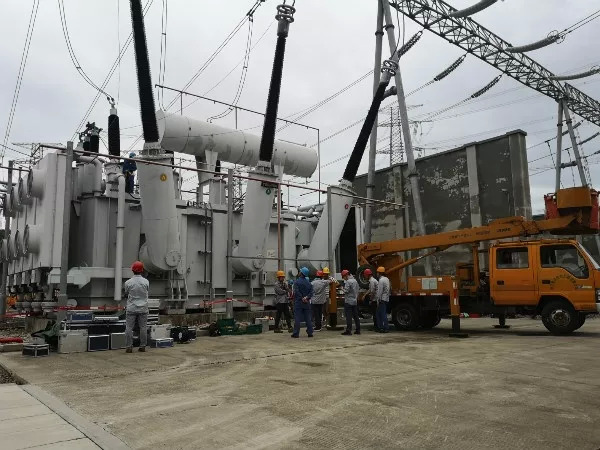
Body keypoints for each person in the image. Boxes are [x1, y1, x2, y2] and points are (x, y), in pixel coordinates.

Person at [124, 261, 150, 352]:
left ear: (132, 270)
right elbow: (146, 291)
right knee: (143, 327)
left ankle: (129, 347)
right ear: (142, 270)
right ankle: (142, 346)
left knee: (129, 328)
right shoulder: (146, 282)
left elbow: (126, 293)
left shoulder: (128, 282)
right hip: (143, 308)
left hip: (131, 308)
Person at [292, 267, 314, 338]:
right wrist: (306, 298)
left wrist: (302, 298)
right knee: (308, 318)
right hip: (306, 302)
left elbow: (296, 292)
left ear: (301, 273)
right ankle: (310, 333)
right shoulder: (309, 283)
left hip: (299, 302)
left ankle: (296, 333)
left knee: (297, 318)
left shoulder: (297, 282)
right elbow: (311, 292)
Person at [341, 269, 360, 336]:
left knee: (348, 316)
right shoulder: (355, 281)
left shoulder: (348, 282)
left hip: (348, 301)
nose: (344, 278)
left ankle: (348, 330)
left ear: (346, 275)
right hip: (354, 301)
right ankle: (358, 330)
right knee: (355, 316)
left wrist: (341, 288)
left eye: (343, 277)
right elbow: (358, 290)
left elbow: (346, 291)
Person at [376, 266, 390, 333]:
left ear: (379, 273)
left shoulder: (381, 280)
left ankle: (384, 327)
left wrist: (378, 300)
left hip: (382, 299)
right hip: (386, 298)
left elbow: (380, 291)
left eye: (377, 272)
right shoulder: (387, 279)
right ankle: (382, 327)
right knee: (381, 313)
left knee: (382, 314)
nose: (377, 274)